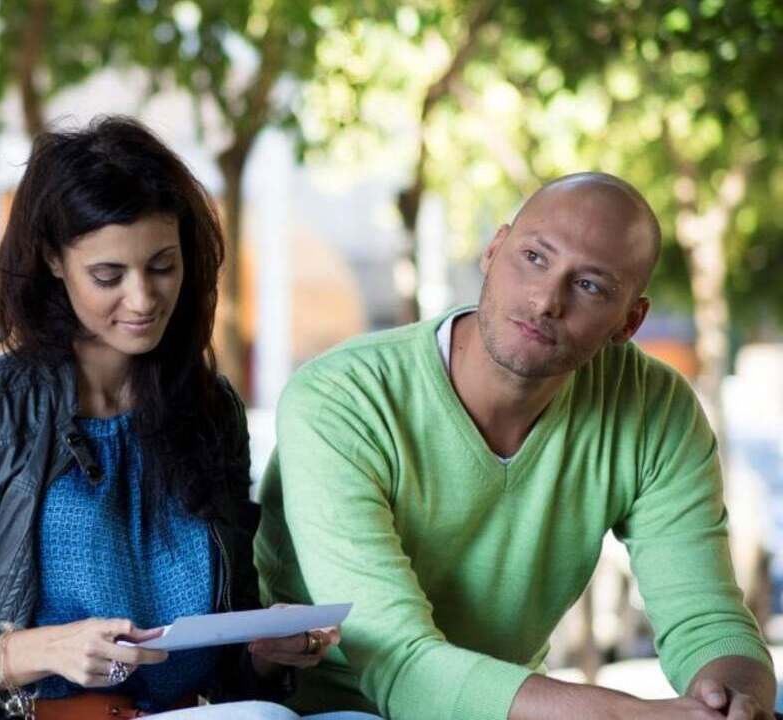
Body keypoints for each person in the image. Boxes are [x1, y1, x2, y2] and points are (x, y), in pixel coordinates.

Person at [0, 117, 372, 720]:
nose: (142, 300)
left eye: (162, 267)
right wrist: (37, 650)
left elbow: (231, 673)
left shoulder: (210, 407)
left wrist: (267, 653)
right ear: (54, 261)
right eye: (108, 276)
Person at [255, 172, 778, 720]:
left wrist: (733, 702)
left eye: (590, 286)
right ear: (493, 249)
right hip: (329, 709)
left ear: (630, 321)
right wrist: (636, 716)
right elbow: (399, 662)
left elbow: (705, 620)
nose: (546, 300)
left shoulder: (654, 408)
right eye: (533, 257)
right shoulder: (342, 399)